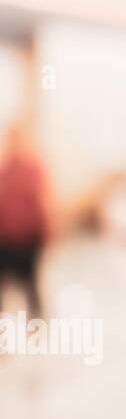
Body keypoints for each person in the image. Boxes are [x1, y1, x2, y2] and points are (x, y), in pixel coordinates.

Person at [0, 126, 47, 318]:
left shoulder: (32, 169)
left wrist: (44, 232)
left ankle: (35, 323)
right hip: (6, 237)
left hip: (28, 238)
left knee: (30, 285)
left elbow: (41, 203)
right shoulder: (5, 170)